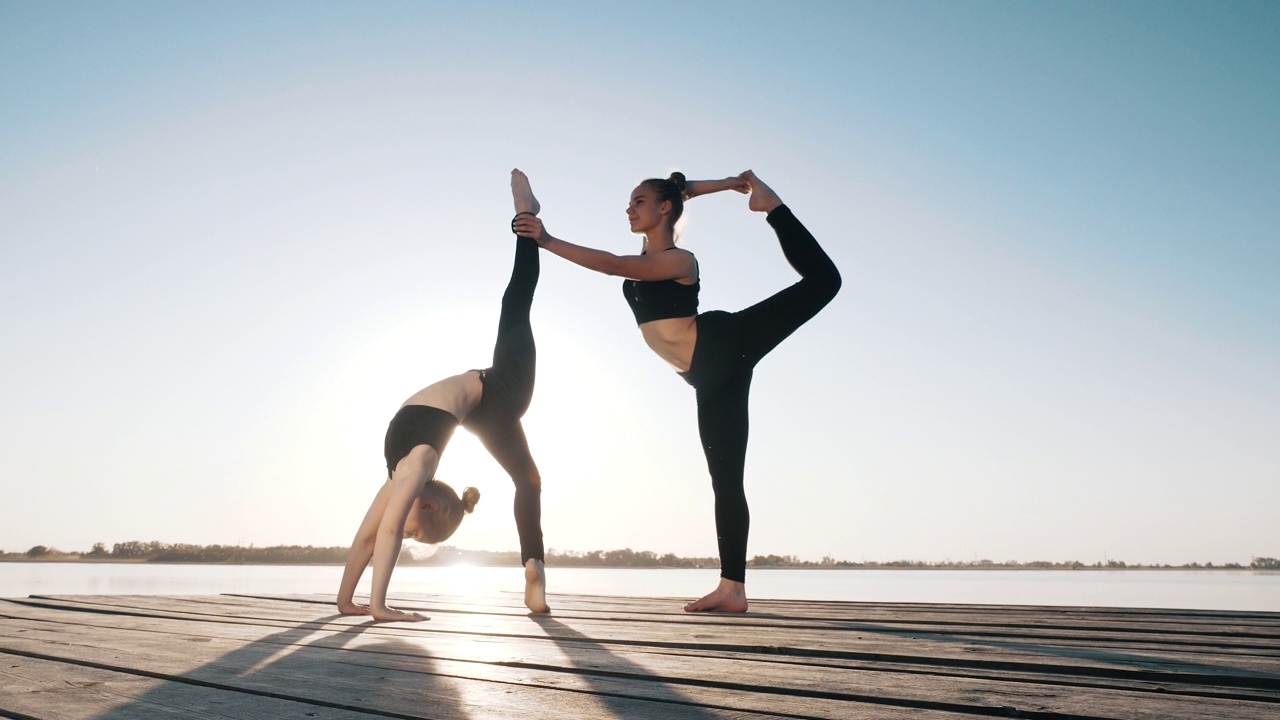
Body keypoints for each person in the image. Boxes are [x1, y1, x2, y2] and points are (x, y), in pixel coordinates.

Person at [514, 169, 840, 612]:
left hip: (726, 342)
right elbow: (681, 190)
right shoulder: (660, 237)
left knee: (824, 282)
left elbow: (615, 265)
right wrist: (726, 184)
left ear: (664, 209)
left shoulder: (680, 261)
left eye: (639, 201)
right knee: (725, 479)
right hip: (707, 377)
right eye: (630, 201)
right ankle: (733, 589)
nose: (629, 208)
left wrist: (547, 240)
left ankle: (773, 208)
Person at [336, 171, 550, 621]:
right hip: (494, 401)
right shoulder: (418, 465)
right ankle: (534, 562)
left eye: (417, 540)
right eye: (421, 535)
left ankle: (525, 216)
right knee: (527, 481)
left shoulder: (408, 469)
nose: (409, 537)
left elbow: (378, 533)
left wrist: (366, 604)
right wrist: (362, 605)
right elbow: (380, 534)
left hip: (492, 397)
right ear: (429, 504)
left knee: (515, 304)